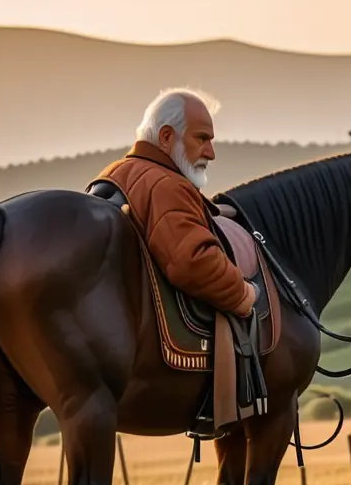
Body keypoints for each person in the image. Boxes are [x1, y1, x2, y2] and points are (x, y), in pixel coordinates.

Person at [92, 88, 255, 318]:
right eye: (201, 138)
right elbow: (192, 261)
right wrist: (243, 294)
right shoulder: (166, 185)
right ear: (166, 137)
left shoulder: (113, 172)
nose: (210, 153)